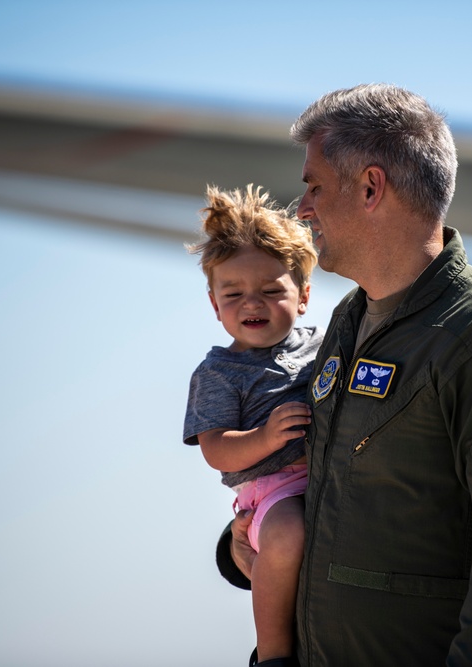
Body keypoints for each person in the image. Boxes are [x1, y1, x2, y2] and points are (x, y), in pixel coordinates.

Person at [222, 84, 472, 666]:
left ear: (370, 187)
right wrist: (251, 537)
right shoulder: (347, 320)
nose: (302, 207)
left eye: (313, 186)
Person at [184, 184, 322, 667]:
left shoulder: (325, 343)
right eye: (235, 294)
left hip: (325, 476)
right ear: (214, 305)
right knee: (287, 533)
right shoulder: (219, 372)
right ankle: (274, 654)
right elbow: (216, 449)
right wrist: (264, 438)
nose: (252, 304)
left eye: (271, 291)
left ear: (303, 296)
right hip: (271, 491)